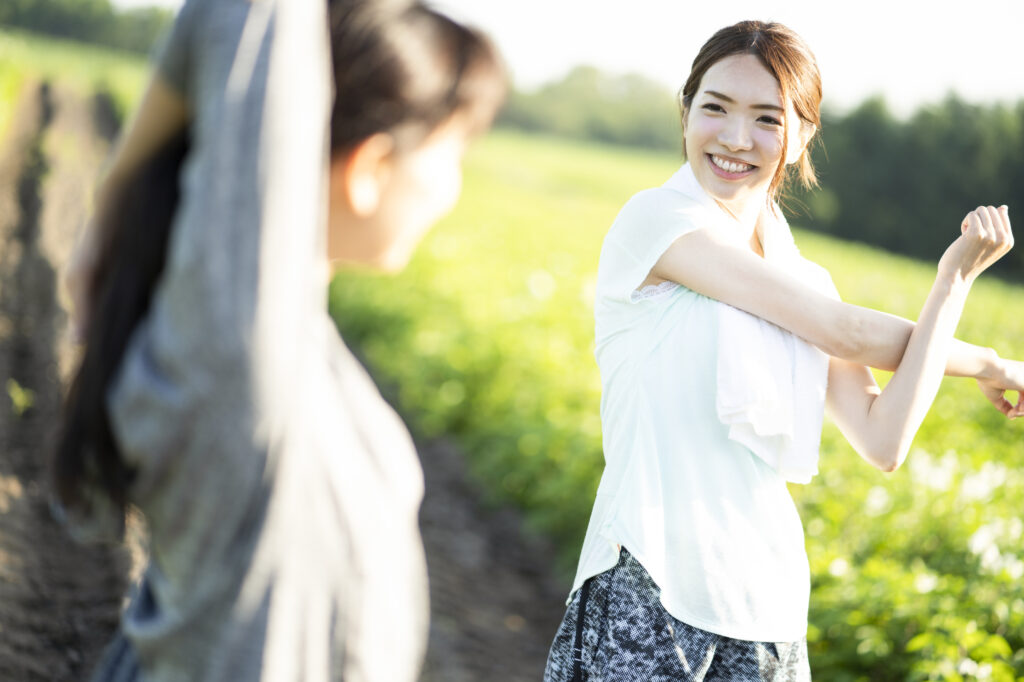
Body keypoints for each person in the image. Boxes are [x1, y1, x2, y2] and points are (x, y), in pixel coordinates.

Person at [543, 20, 1019, 682]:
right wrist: (990, 364)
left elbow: (884, 442)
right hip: (649, 589)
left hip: (767, 615)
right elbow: (844, 332)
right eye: (715, 108)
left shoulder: (806, 286)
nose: (736, 139)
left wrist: (952, 284)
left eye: (767, 118)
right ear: (685, 114)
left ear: (801, 136)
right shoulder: (656, 225)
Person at [54, 0, 504, 680]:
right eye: (456, 151)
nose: (454, 186)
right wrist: (110, 199)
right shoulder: (242, 361)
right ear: (371, 167)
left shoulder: (303, 358)